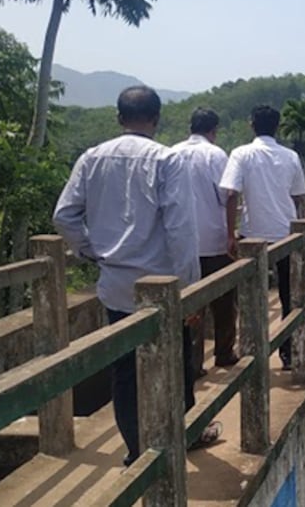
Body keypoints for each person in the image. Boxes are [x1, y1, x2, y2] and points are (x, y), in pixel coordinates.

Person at [53, 86, 220, 466]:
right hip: (161, 287)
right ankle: (183, 437)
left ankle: (136, 451)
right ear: (157, 119)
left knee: (125, 372)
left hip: (115, 286)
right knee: (175, 365)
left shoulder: (92, 158)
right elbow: (180, 230)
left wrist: (90, 251)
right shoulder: (166, 160)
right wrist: (190, 289)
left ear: (118, 118)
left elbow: (64, 215)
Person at [220, 105, 305, 370]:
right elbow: (299, 196)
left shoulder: (241, 154)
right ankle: (288, 353)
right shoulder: (290, 156)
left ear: (251, 124)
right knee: (287, 295)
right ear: (277, 126)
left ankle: (252, 352)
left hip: (251, 236)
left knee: (251, 297)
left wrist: (229, 235)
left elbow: (231, 193)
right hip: (285, 233)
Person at [172, 107, 239, 373]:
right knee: (223, 302)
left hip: (180, 245)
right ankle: (223, 353)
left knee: (189, 305)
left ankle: (192, 363)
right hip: (213, 239)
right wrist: (231, 234)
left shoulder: (171, 153)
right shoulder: (215, 154)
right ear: (213, 130)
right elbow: (230, 194)